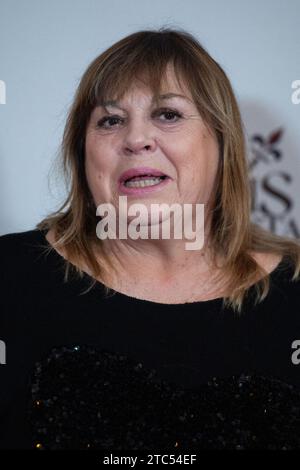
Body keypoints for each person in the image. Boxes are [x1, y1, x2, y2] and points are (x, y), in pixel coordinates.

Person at [1, 27, 300, 451]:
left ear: (221, 140)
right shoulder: (8, 279)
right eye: (111, 120)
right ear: (83, 154)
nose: (136, 139)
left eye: (168, 114)